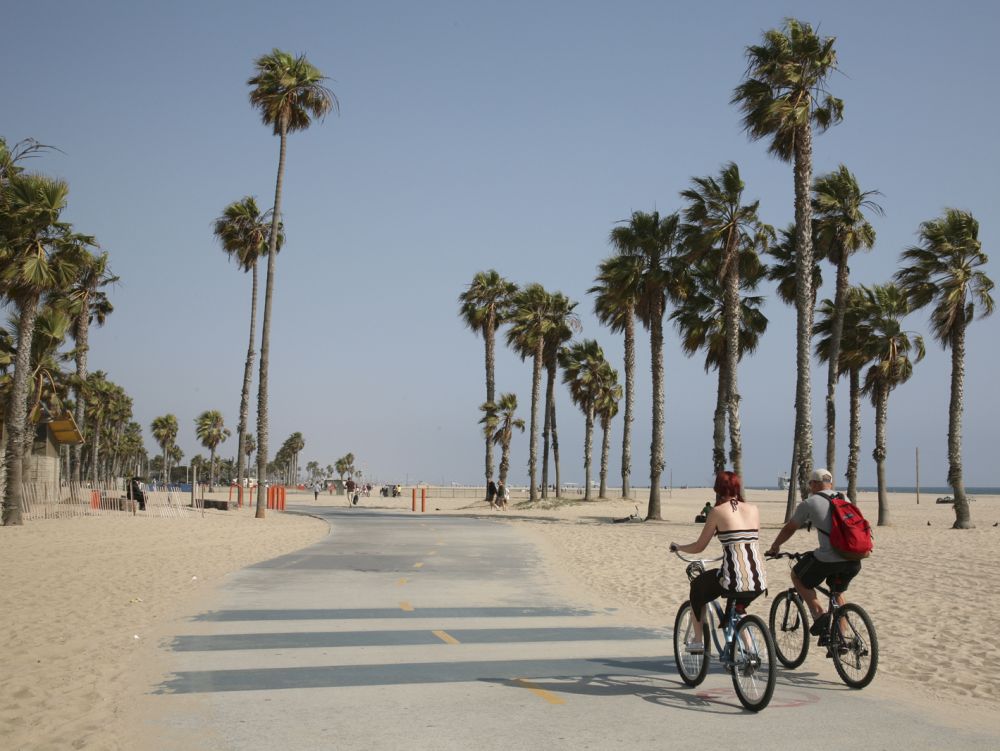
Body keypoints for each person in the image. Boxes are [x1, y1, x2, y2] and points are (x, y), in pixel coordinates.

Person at [669, 471, 766, 654]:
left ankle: (698, 641)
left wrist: (679, 547)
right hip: (758, 577)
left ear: (718, 489)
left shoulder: (717, 512)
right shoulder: (753, 509)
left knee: (698, 587)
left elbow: (699, 546)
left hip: (734, 577)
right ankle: (750, 649)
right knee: (739, 608)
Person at [766, 468, 862, 637]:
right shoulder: (844, 498)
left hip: (828, 559)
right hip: (854, 557)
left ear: (815, 484)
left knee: (797, 575)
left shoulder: (809, 503)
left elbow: (790, 528)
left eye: (810, 483)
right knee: (837, 592)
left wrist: (775, 546)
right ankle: (842, 640)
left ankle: (819, 615)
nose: (810, 486)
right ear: (830, 483)